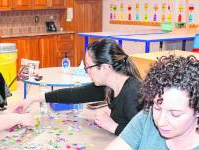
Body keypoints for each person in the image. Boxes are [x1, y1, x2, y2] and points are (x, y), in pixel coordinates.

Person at [14, 38, 142, 135]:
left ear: (104, 68)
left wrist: (113, 126)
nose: (87, 71)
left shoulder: (132, 91)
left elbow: (144, 136)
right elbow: (74, 94)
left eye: (88, 67)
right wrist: (32, 99)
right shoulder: (109, 86)